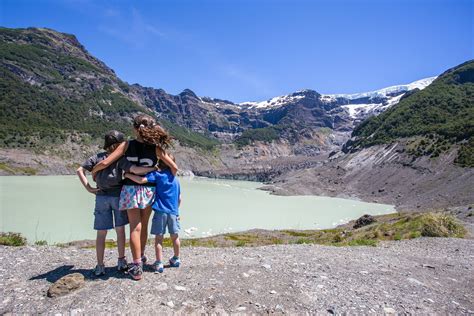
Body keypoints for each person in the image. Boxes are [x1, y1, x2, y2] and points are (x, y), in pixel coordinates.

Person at [91, 114, 175, 280]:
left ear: (134, 129)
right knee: (144, 226)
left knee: (134, 228)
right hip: (148, 191)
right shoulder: (156, 148)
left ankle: (136, 266)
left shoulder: (126, 145)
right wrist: (167, 185)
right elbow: (174, 167)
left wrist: (94, 172)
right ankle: (142, 256)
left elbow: (106, 162)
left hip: (130, 190)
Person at [76, 130, 155, 276]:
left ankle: (100, 265)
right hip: (119, 197)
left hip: (100, 197)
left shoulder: (97, 157)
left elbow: (79, 170)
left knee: (101, 233)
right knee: (120, 231)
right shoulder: (121, 159)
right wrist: (154, 168)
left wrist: (88, 187)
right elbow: (135, 169)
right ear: (120, 145)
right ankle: (121, 261)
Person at [124, 154, 180, 274]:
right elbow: (179, 198)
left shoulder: (157, 175)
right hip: (173, 212)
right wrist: (177, 211)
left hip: (160, 212)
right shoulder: (176, 179)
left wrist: (127, 174)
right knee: (175, 236)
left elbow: (141, 180)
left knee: (159, 239)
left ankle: (159, 263)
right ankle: (176, 258)